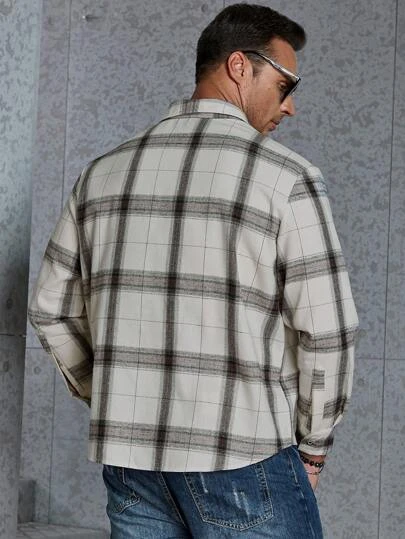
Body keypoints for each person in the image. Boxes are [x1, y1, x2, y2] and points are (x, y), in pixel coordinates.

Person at [29, 3, 359, 538]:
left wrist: (113, 392)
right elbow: (328, 331)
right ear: (239, 66)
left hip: (133, 460)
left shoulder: (102, 174)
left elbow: (50, 309)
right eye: (286, 84)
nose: (291, 106)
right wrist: (314, 447)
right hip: (244, 457)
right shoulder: (286, 177)